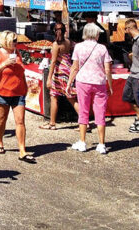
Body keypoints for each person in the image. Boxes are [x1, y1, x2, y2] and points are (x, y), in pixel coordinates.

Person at [0, 31, 35, 163]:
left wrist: (25, 86)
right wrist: (4, 64)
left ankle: (22, 150)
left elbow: (21, 71)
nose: (16, 42)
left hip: (18, 91)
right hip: (3, 91)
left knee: (20, 121)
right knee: (2, 119)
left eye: (16, 40)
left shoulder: (17, 52)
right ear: (6, 41)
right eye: (14, 40)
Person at [67, 23, 113, 154]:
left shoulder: (78, 47)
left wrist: (69, 83)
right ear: (95, 34)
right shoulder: (102, 48)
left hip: (83, 81)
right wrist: (109, 84)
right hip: (99, 82)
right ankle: (101, 144)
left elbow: (75, 67)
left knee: (83, 111)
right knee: (100, 112)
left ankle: (82, 142)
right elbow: (108, 69)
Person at [40, 23, 79, 130]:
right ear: (64, 30)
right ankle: (84, 122)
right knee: (71, 97)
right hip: (68, 70)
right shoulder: (69, 42)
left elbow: (53, 62)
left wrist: (49, 78)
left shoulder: (56, 44)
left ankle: (52, 123)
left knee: (54, 97)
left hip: (59, 72)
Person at [123, 18, 139, 133]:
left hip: (138, 75)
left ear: (129, 28)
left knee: (138, 100)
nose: (125, 31)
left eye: (125, 29)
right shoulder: (134, 40)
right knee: (128, 97)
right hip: (132, 73)